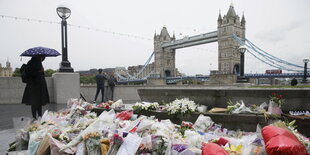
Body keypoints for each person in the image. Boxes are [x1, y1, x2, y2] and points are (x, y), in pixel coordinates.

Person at [22, 55, 49, 120]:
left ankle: (38, 116)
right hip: (35, 85)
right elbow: (32, 73)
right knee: (35, 102)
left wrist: (40, 72)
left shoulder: (35, 62)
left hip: (35, 85)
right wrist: (39, 72)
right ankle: (36, 116)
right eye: (43, 57)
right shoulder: (34, 62)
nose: (43, 59)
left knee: (36, 102)